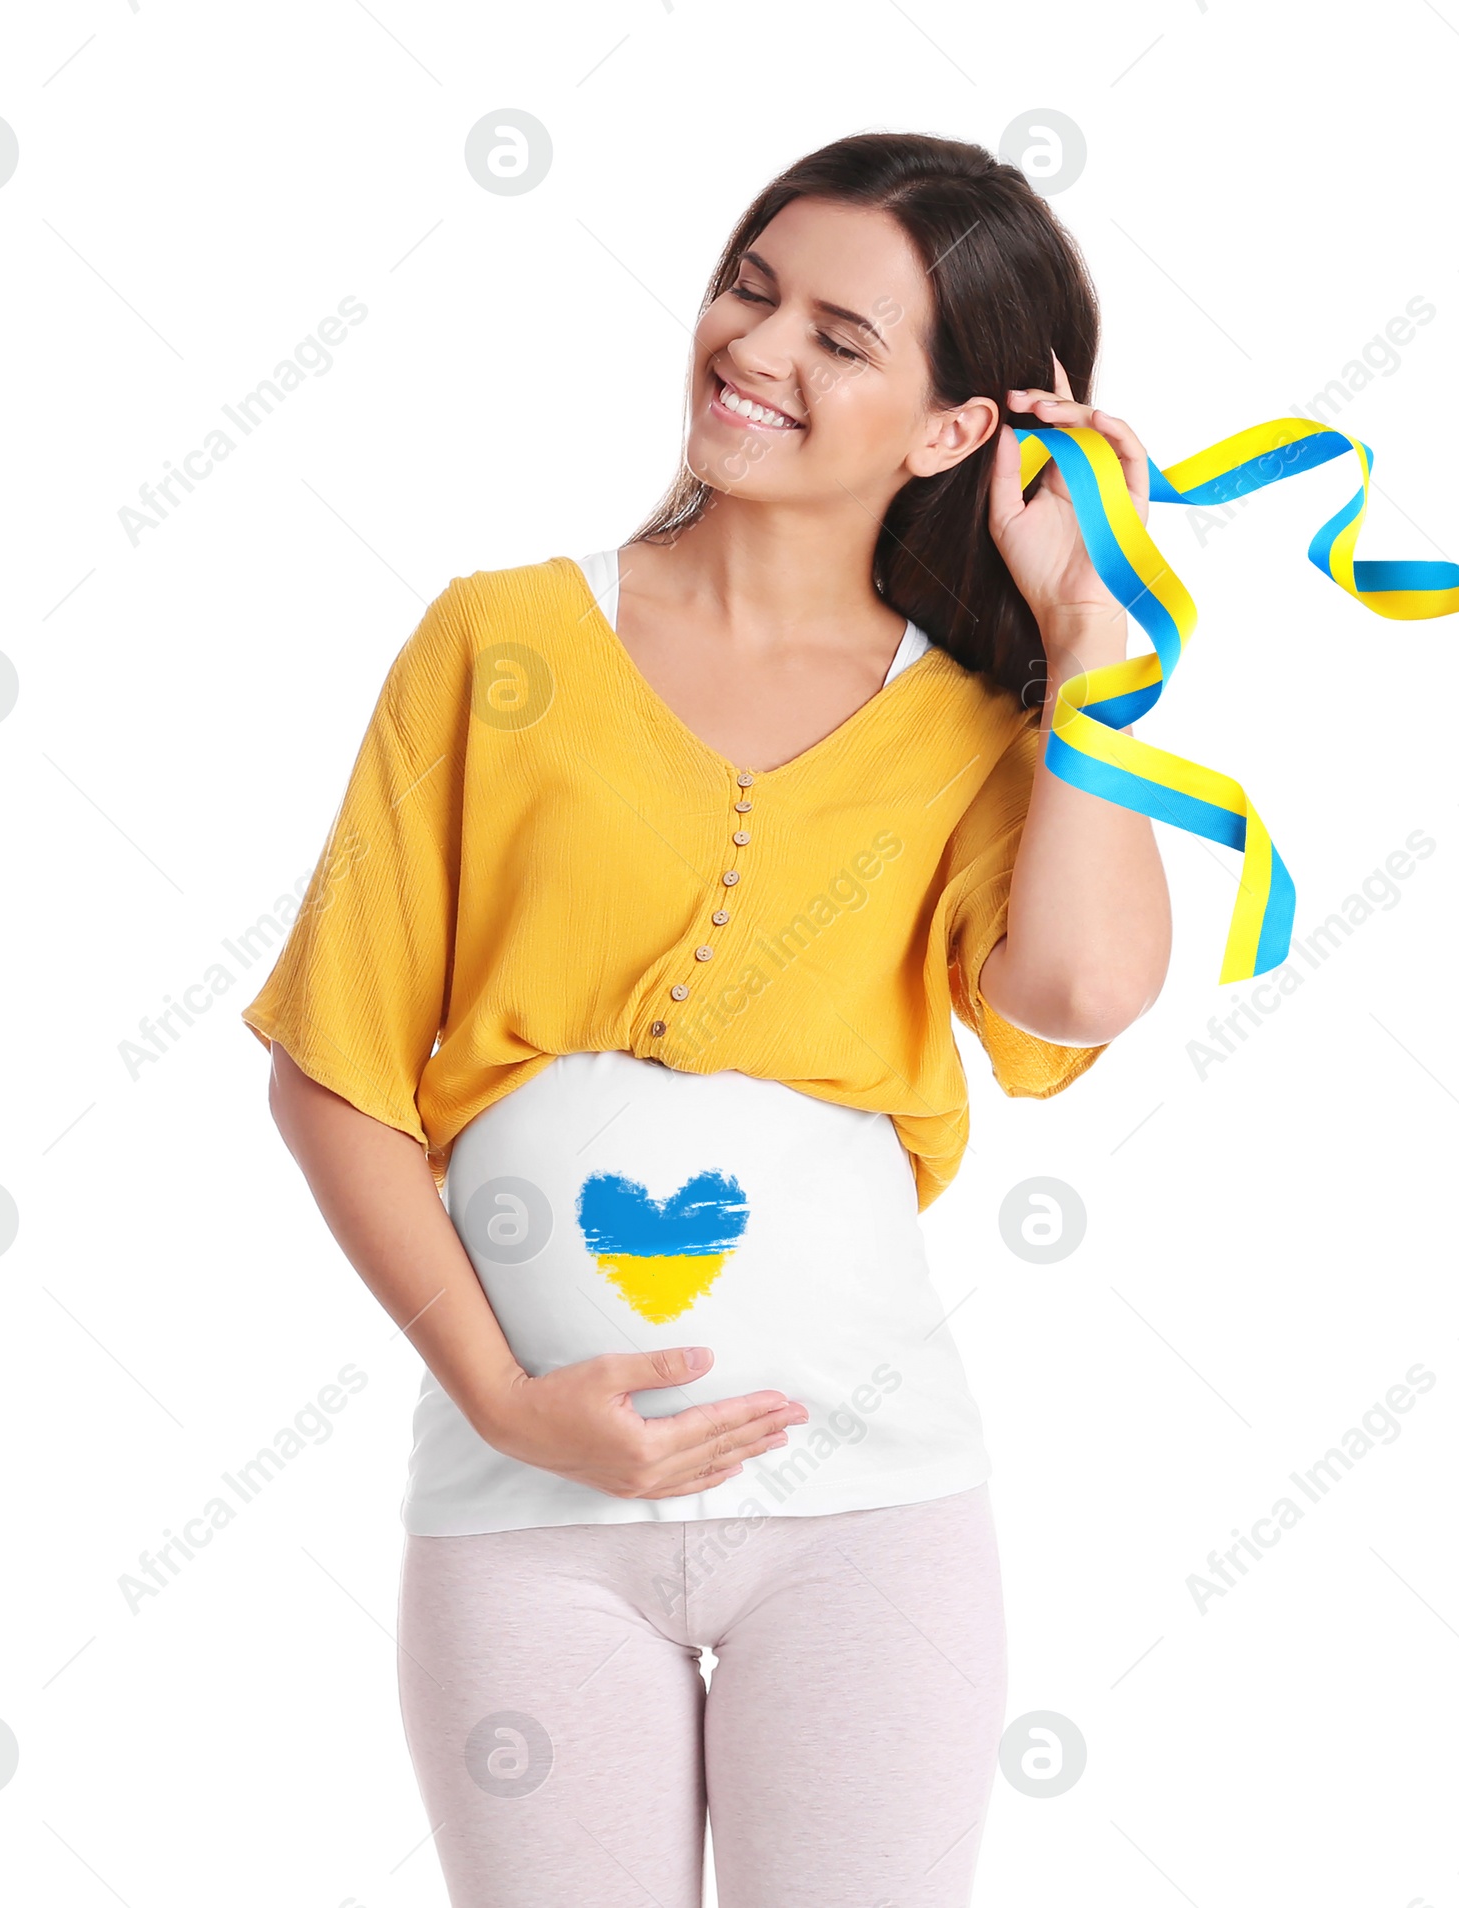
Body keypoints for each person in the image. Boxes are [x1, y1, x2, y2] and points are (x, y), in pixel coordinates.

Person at [241, 129, 1170, 1908]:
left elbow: (1083, 993)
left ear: (957, 429)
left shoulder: (981, 726)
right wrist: (509, 1401)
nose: (756, 351)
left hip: (869, 1519)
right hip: (529, 1521)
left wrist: (1090, 638)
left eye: (841, 337)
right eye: (751, 290)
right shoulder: (494, 643)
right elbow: (330, 1076)